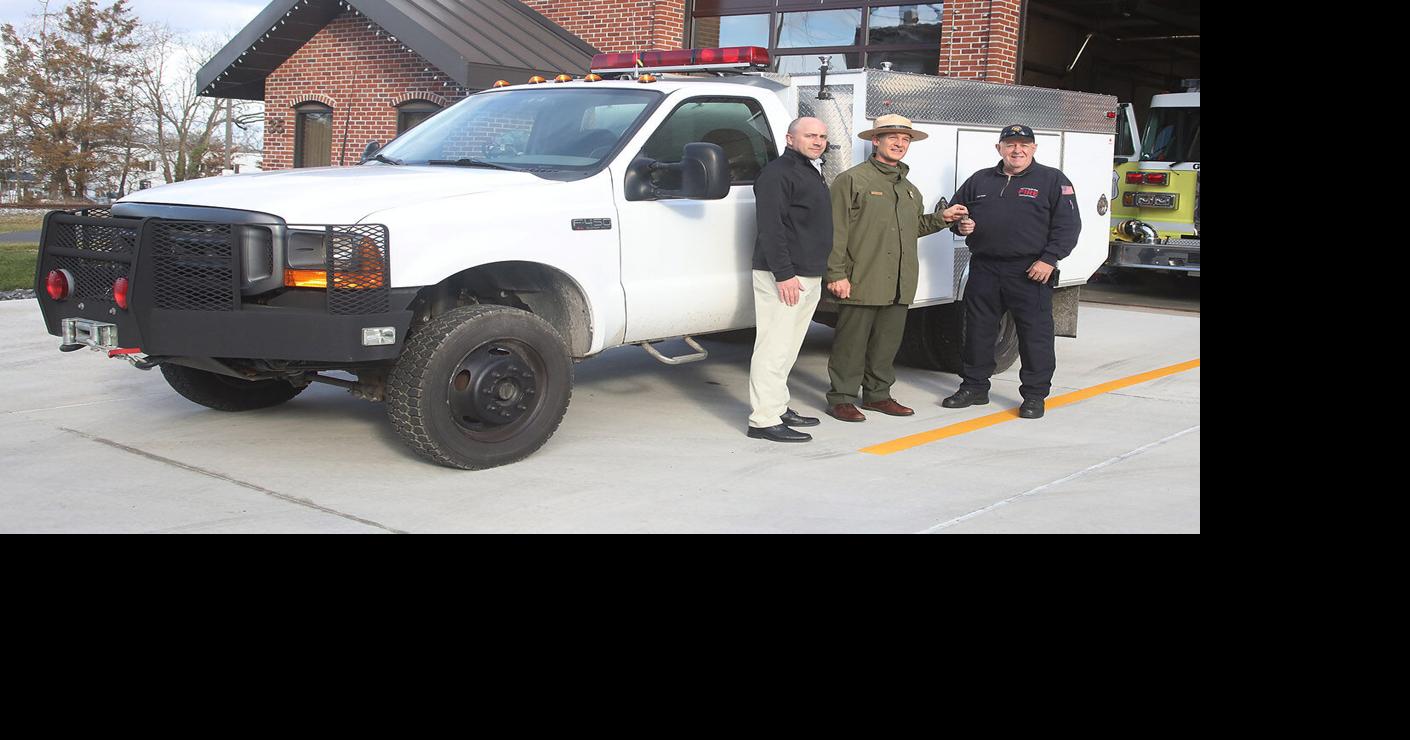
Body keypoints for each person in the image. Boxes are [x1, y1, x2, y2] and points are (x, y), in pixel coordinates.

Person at [824, 114, 968, 422]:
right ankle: (842, 398)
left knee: (886, 345)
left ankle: (877, 395)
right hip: (862, 278)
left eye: (905, 140)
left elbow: (912, 227)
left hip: (900, 282)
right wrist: (836, 274)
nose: (900, 144)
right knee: (851, 344)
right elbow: (835, 231)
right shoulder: (852, 180)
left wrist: (941, 219)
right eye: (892, 138)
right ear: (875, 141)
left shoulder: (911, 190)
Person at [942, 125, 1082, 419]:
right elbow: (957, 213)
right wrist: (961, 225)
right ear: (999, 148)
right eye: (1010, 144)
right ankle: (975, 387)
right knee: (978, 331)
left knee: (1035, 335)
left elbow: (1068, 226)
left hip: (1030, 270)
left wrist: (1049, 259)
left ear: (1033, 148)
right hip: (984, 267)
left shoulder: (1052, 180)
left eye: (1023, 145)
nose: (1016, 150)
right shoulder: (979, 180)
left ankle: (1034, 395)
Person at [746, 117, 832, 443]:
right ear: (789, 138)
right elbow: (771, 226)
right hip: (784, 275)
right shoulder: (777, 173)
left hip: (807, 274)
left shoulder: (809, 169)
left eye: (822, 136)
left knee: (789, 347)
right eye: (810, 135)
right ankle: (764, 420)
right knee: (773, 347)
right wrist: (784, 274)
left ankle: (778, 406)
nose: (817, 141)